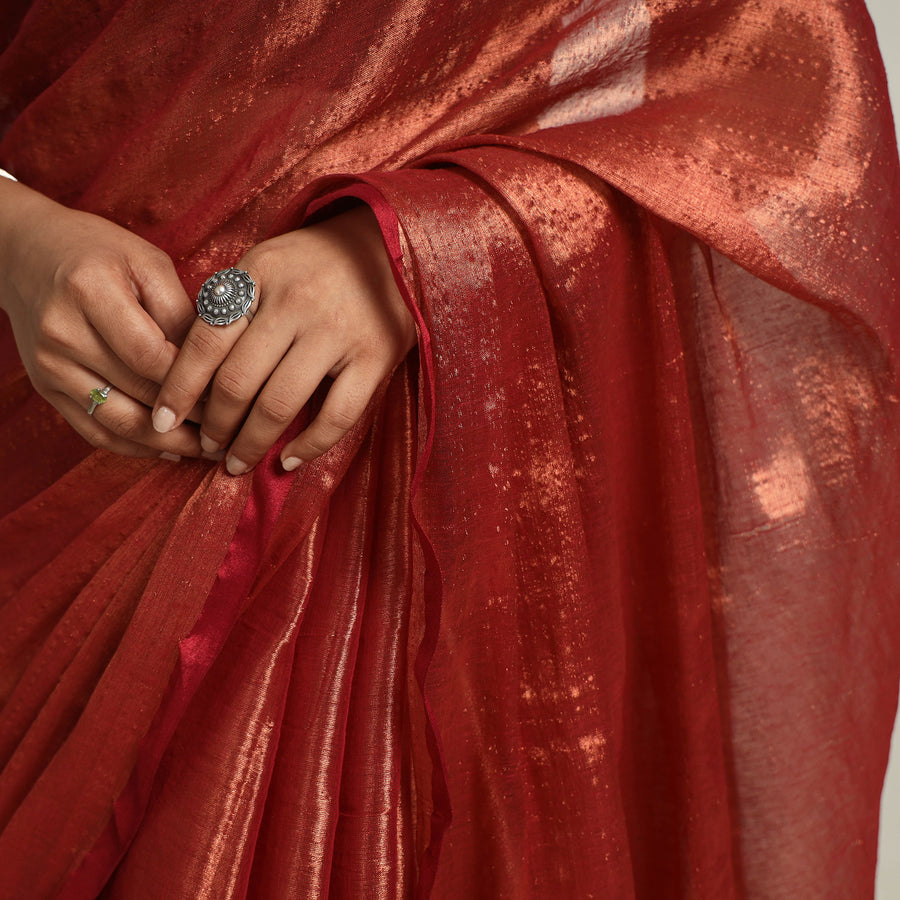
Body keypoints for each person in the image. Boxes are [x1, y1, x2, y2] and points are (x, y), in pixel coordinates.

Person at [1, 0, 898, 897]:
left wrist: (423, 252)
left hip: (438, 542)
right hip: (57, 466)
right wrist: (16, 240)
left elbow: (773, 111)